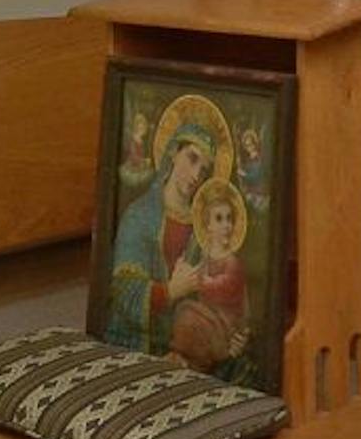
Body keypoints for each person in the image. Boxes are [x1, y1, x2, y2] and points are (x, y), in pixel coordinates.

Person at [105, 121, 216, 356]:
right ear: (174, 153)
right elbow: (125, 294)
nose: (196, 175)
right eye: (192, 158)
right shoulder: (139, 217)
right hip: (137, 348)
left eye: (204, 170)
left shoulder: (203, 229)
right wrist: (172, 290)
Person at [169, 179, 253, 376]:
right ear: (207, 226)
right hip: (207, 315)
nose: (226, 225)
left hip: (225, 323)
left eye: (229, 219)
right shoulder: (204, 257)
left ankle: (190, 364)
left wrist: (197, 279)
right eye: (219, 219)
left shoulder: (232, 262)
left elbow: (222, 286)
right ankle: (183, 360)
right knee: (184, 315)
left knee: (190, 320)